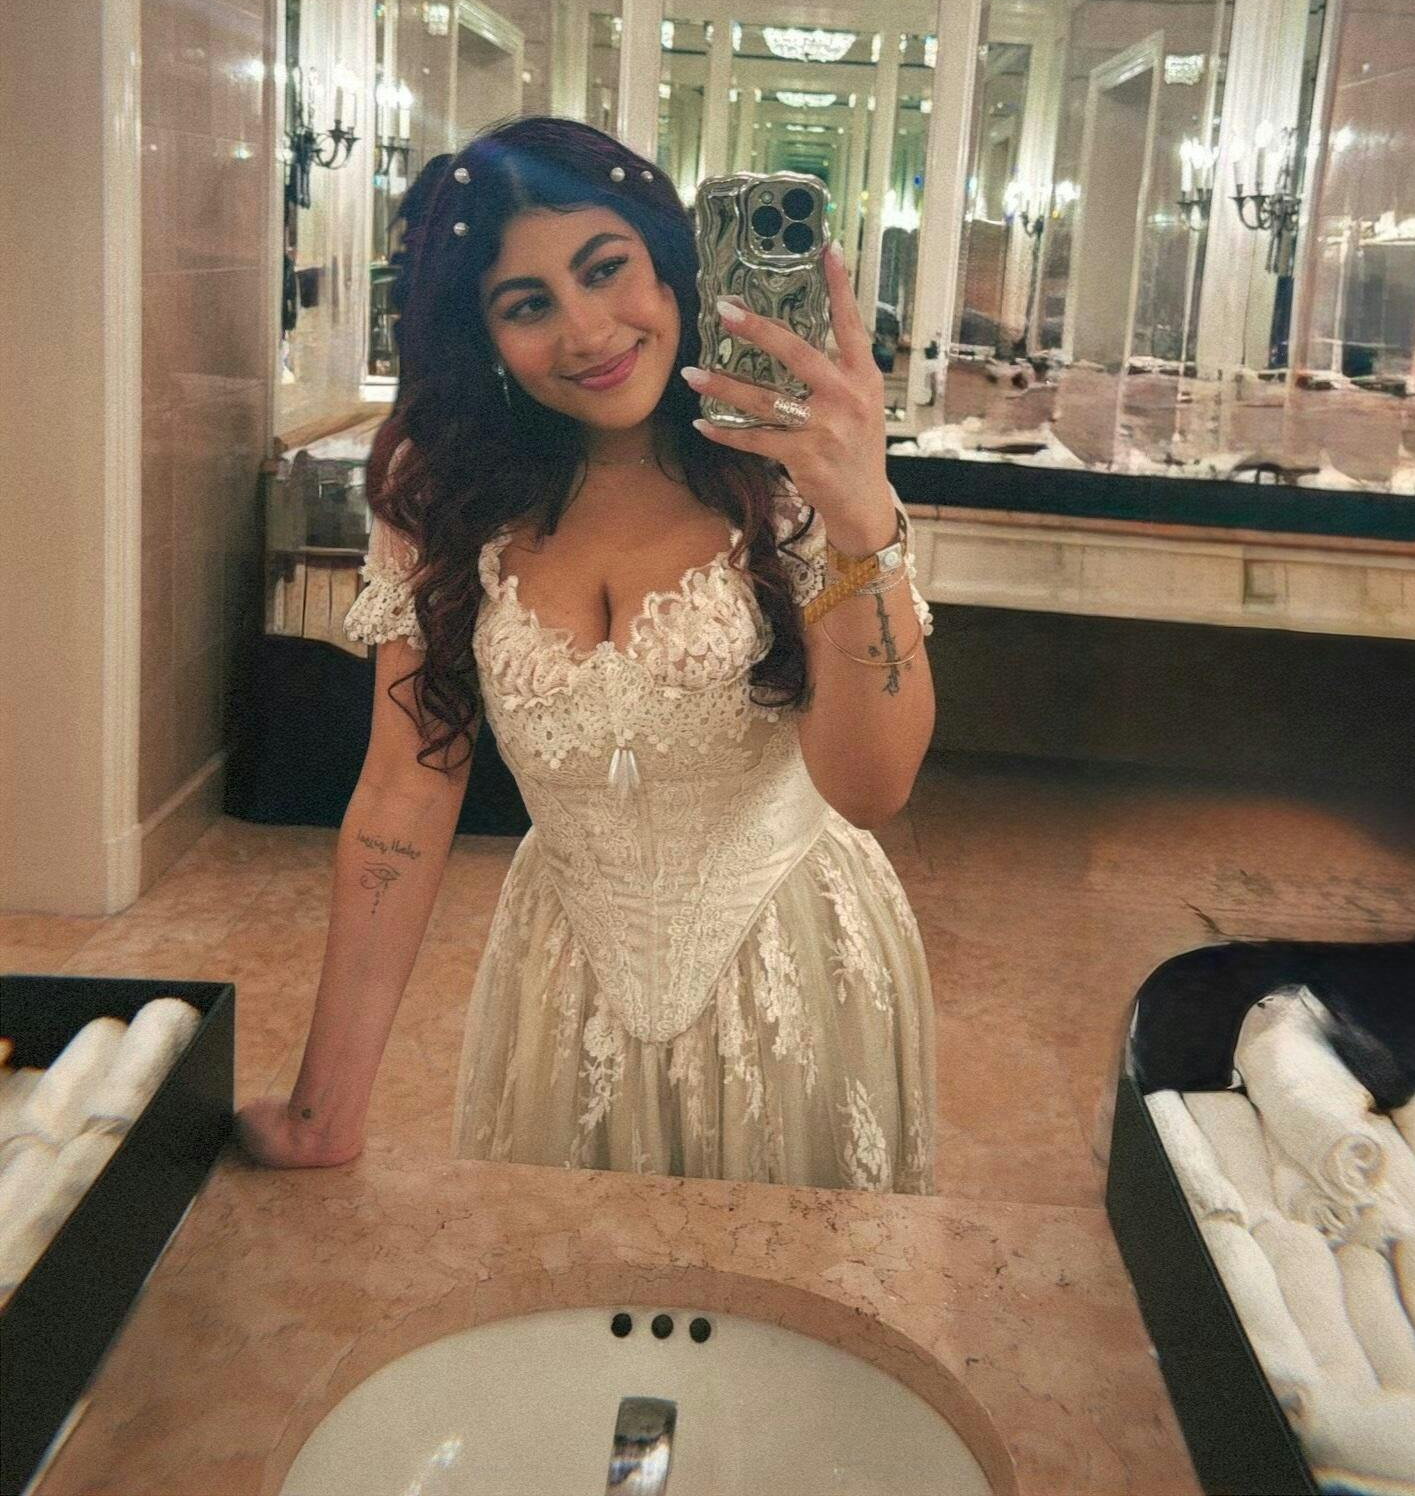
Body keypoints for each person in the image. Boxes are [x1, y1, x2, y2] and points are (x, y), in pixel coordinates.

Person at [235, 117, 938, 1191]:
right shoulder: (442, 499)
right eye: (528, 305)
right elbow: (403, 791)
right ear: (483, 336)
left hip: (797, 968)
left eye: (606, 270)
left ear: (668, 264)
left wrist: (860, 521)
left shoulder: (788, 475)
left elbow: (874, 788)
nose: (588, 331)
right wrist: (323, 1112)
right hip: (563, 985)